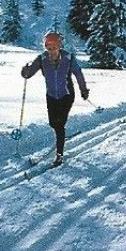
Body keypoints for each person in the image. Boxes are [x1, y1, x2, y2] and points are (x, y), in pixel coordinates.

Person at [21, 31, 90, 167]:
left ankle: (59, 154)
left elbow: (78, 74)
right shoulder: (42, 59)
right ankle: (61, 137)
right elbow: (29, 74)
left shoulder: (68, 58)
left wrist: (83, 89)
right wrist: (25, 71)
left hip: (67, 95)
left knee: (59, 124)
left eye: (53, 48)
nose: (51, 51)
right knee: (53, 123)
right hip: (51, 96)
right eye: (48, 48)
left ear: (59, 46)